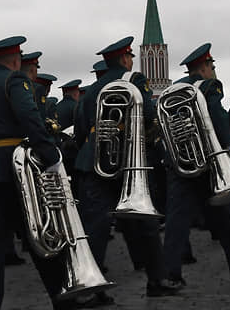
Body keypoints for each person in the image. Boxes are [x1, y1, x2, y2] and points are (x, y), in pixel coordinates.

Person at [0, 36, 72, 310]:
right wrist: (51, 156)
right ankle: (63, 296)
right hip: (14, 170)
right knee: (41, 238)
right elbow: (30, 119)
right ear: (15, 60)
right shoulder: (14, 80)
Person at [74, 36, 180, 304]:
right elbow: (148, 114)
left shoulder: (92, 89)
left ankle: (90, 286)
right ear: (124, 59)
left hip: (93, 160)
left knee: (95, 227)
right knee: (145, 222)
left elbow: (80, 130)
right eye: (130, 57)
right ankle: (157, 280)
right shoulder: (133, 81)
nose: (132, 61)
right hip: (127, 160)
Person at [163, 43, 230, 285]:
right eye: (211, 66)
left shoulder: (175, 89)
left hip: (181, 163)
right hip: (206, 162)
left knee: (179, 219)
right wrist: (229, 145)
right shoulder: (209, 87)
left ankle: (169, 273)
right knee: (224, 214)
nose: (213, 70)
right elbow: (217, 116)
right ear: (205, 67)